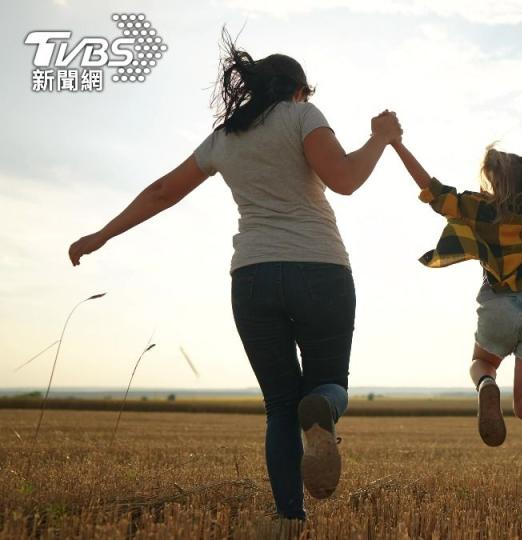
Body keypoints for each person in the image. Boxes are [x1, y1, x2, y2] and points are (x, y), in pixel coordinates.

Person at [67, 31, 402, 520]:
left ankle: (290, 520)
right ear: (297, 90)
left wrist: (102, 234)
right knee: (328, 384)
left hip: (252, 278)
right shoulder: (303, 116)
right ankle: (324, 411)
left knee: (279, 407)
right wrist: (382, 138)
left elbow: (163, 191)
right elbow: (346, 179)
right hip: (320, 269)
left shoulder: (225, 137)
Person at [389, 133, 522, 447]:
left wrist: (397, 143)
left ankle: (486, 384)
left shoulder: (478, 207)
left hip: (498, 306)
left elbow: (432, 189)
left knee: (481, 363)